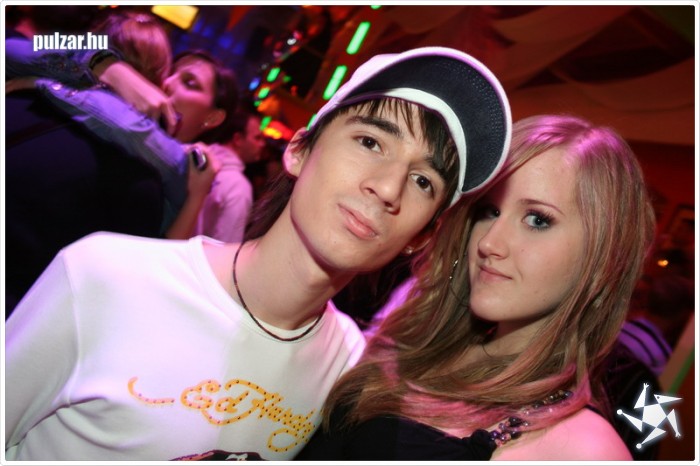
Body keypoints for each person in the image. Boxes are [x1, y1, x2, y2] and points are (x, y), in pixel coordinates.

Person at [5, 46, 512, 461]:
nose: (387, 187)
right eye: (370, 142)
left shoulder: (347, 372)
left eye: (423, 181)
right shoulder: (105, 277)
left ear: (422, 235)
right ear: (299, 151)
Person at [296, 114, 655, 461]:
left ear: (601, 258)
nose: (489, 243)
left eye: (537, 220)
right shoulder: (418, 346)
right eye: (489, 212)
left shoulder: (588, 450)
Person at [178, 105, 266, 242]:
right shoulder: (238, 186)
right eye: (257, 138)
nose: (262, 144)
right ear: (238, 139)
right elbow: (224, 244)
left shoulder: (193, 154)